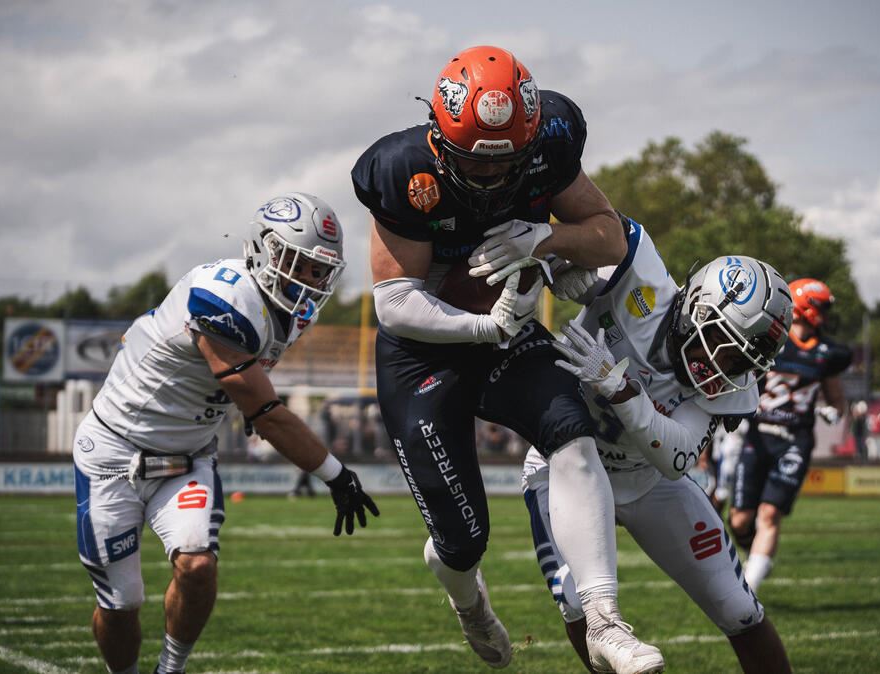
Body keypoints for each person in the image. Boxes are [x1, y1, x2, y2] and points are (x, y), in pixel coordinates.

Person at [352, 45, 664, 672]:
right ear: (439, 138)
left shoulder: (551, 137)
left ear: (529, 138)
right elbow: (392, 303)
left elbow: (608, 232)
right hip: (426, 354)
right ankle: (469, 605)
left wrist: (546, 241)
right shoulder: (401, 169)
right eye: (475, 162)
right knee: (464, 542)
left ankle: (604, 620)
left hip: (507, 332)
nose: (492, 179)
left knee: (572, 433)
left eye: (506, 164)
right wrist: (483, 324)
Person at [72, 193, 379, 674]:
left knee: (197, 567)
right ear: (264, 250)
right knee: (121, 601)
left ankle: (170, 670)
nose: (310, 281)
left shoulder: (291, 311)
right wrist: (336, 474)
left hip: (188, 456)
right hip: (115, 454)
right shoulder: (224, 294)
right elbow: (268, 410)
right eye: (300, 264)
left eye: (320, 271)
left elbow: (250, 396)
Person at [522, 219, 794, 673]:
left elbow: (676, 458)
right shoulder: (642, 282)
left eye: (744, 361)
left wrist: (623, 391)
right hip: (565, 464)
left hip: (649, 482)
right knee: (577, 603)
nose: (726, 370)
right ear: (700, 311)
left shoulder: (730, 386)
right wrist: (560, 259)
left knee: (739, 609)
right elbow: (593, 226)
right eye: (727, 350)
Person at [729, 278, 850, 593]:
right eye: (820, 307)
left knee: (769, 513)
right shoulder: (771, 339)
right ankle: (754, 553)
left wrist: (834, 412)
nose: (824, 315)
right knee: (740, 520)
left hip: (795, 439)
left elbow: (837, 399)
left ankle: (748, 591)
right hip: (758, 435)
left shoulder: (826, 352)